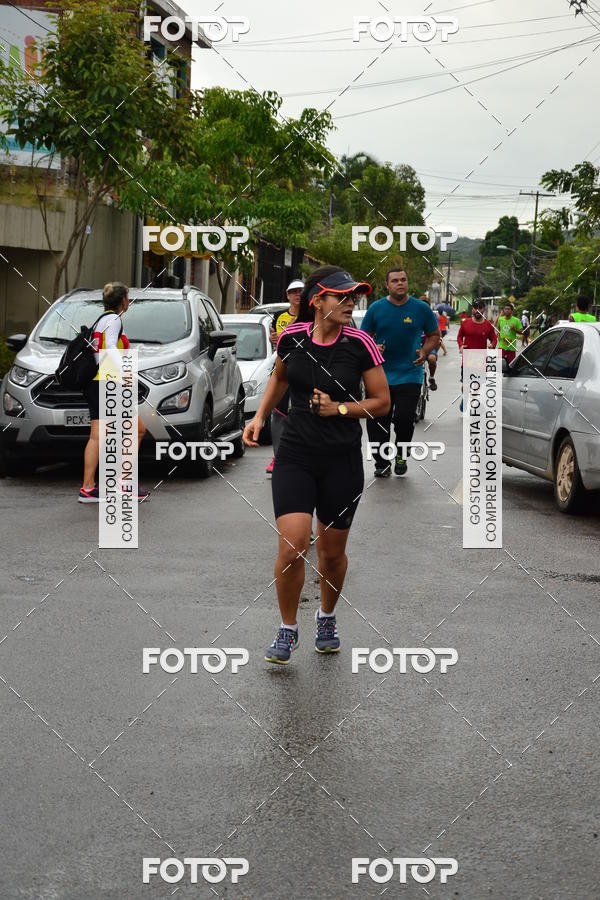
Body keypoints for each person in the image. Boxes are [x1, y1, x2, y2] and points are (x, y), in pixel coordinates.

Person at [243, 266, 390, 665]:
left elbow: (382, 402)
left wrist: (339, 408)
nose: (350, 302)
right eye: (341, 296)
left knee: (331, 554)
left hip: (341, 459)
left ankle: (326, 617)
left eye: (353, 297)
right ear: (318, 300)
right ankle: (287, 627)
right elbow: (280, 378)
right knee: (292, 546)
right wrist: (259, 416)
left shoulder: (360, 344)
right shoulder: (291, 338)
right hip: (295, 454)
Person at [360, 268, 440, 478]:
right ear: (387, 285)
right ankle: (382, 463)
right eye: (395, 280)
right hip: (379, 375)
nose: (400, 283)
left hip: (410, 373)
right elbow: (363, 337)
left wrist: (424, 351)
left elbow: (434, 335)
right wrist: (373, 347)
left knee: (404, 419)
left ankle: (401, 455)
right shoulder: (376, 308)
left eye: (403, 279)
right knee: (378, 421)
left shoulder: (421, 309)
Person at [79, 282, 148, 503]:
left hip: (97, 383)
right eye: (128, 297)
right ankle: (122, 483)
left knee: (99, 435)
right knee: (135, 430)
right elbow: (109, 348)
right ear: (123, 300)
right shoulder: (114, 320)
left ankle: (89, 488)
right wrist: (126, 373)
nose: (129, 301)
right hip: (109, 381)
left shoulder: (102, 320)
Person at [265, 279, 304, 475]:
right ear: (288, 295)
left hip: (305, 369)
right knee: (278, 412)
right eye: (293, 292)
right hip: (283, 369)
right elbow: (276, 341)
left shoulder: (312, 315)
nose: (297, 295)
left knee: (304, 413)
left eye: (301, 291)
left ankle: (304, 457)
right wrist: (273, 339)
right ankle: (278, 457)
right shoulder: (279, 316)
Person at [457, 299, 497, 413]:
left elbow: (494, 338)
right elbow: (459, 336)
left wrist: (492, 345)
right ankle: (465, 397)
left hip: (481, 360)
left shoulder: (488, 325)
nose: (477, 310)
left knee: (477, 385)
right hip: (467, 359)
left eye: (480, 307)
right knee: (466, 385)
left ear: (484, 309)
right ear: (472, 309)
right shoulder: (465, 323)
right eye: (475, 307)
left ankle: (473, 406)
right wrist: (461, 345)